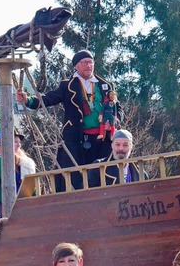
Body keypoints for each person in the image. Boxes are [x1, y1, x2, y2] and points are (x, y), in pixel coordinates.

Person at [16, 50, 118, 190]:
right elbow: (48, 99)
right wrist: (28, 100)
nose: (88, 66)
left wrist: (113, 121)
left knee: (102, 173)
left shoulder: (104, 85)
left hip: (102, 139)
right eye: (84, 63)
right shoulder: (68, 85)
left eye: (90, 62)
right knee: (75, 175)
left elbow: (117, 109)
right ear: (76, 66)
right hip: (76, 139)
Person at [0, 130, 37, 223]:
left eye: (19, 142)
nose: (18, 145)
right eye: (15, 142)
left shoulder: (24, 164)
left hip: (22, 207)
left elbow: (31, 188)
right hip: (1, 209)